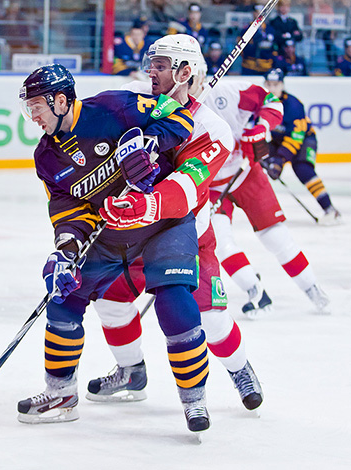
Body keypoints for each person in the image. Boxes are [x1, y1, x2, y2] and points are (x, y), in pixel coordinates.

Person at [16, 63, 215, 433]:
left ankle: (194, 399)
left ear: (61, 101)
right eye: (30, 109)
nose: (34, 117)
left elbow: (179, 116)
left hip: (162, 222)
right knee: (63, 298)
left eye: (37, 108)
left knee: (174, 301)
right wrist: (65, 251)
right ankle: (61, 394)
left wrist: (150, 142)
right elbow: (68, 210)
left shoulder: (113, 107)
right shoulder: (46, 157)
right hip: (109, 232)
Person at [87, 36, 263, 413]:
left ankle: (240, 369)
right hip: (134, 234)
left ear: (185, 72)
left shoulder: (213, 129)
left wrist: (145, 203)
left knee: (211, 320)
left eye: (161, 65)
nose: (151, 71)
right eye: (151, 63)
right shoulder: (135, 96)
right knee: (110, 300)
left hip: (187, 237)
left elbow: (186, 186)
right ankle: (131, 372)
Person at [202, 79, 331, 317]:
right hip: (209, 185)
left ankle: (312, 288)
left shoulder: (229, 91)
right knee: (221, 242)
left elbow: (271, 102)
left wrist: (262, 128)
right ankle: (256, 291)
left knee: (275, 237)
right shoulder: (167, 103)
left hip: (246, 173)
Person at [262, 68, 342, 224]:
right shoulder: (262, 103)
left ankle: (330, 209)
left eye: (275, 85)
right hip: (279, 141)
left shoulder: (293, 105)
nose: (272, 88)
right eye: (269, 84)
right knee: (256, 159)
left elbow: (296, 137)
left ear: (282, 85)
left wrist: (279, 160)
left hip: (305, 140)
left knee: (303, 169)